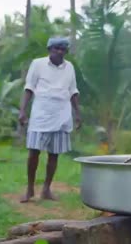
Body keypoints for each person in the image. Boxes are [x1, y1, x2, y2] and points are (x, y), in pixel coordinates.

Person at [19, 37, 81, 203]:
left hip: (61, 114)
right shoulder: (37, 64)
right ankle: (30, 188)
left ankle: (46, 189)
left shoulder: (69, 67)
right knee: (34, 152)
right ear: (49, 49)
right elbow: (29, 88)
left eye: (63, 49)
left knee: (54, 154)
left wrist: (78, 114)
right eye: (56, 48)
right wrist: (22, 111)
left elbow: (73, 91)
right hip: (41, 114)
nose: (60, 52)